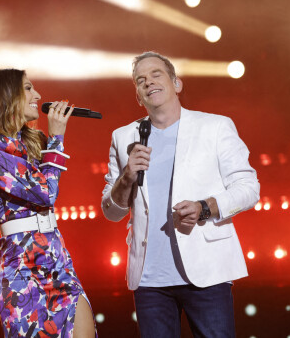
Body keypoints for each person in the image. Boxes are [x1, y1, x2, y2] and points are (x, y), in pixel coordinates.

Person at [101, 52, 260, 337]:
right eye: (140, 80)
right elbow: (111, 211)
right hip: (149, 281)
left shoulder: (214, 127)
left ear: (177, 83)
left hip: (206, 272)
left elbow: (248, 188)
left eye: (156, 74)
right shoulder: (123, 137)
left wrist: (205, 207)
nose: (148, 82)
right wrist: (126, 178)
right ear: (138, 96)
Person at [0, 69, 96, 338]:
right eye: (28, 88)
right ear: (6, 96)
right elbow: (45, 193)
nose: (37, 95)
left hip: (57, 260)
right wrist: (57, 137)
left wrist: (51, 141)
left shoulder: (36, 142)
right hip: (22, 268)